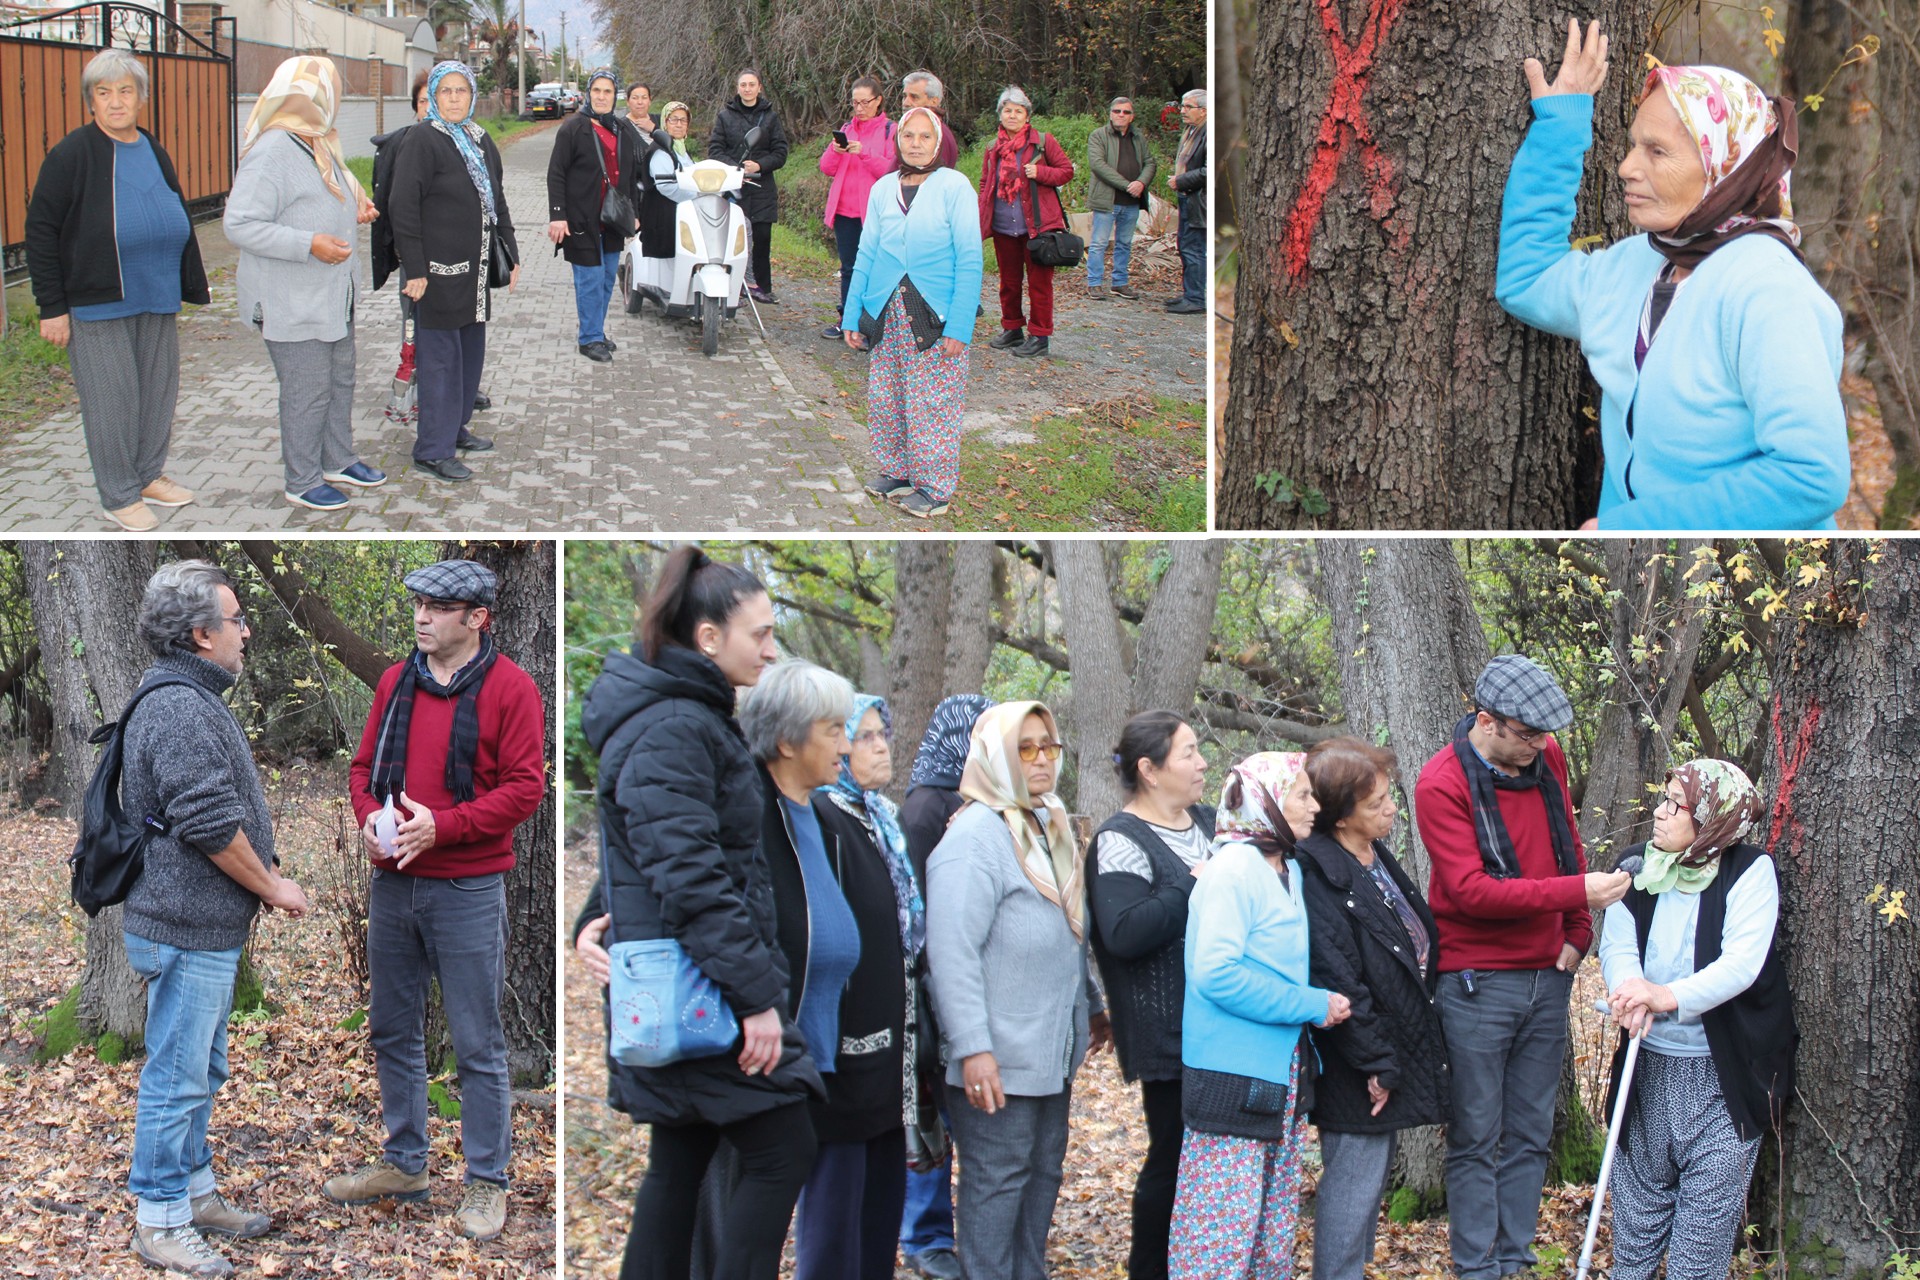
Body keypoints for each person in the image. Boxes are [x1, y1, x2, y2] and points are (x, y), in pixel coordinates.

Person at [1496, 20, 1848, 530]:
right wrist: (1561, 124)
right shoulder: (1638, 262)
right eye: (1634, 145)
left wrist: (1631, 529)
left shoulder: (1768, 292)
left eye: (1656, 152)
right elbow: (1528, 280)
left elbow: (1812, 475)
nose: (1625, 168)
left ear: (1724, 169)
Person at [575, 547, 816, 1280]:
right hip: (700, 992)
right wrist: (758, 1001)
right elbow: (692, 876)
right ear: (708, 638)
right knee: (784, 1146)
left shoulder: (685, 719)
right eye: (760, 634)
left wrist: (594, 916)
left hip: (684, 984)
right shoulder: (674, 726)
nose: (772, 650)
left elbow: (644, 847)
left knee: (679, 1161)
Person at [327, 559, 546, 1243]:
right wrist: (368, 816)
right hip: (393, 885)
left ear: (476, 618)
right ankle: (405, 1165)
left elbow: (525, 788)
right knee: (393, 1029)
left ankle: (487, 1183)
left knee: (477, 1043)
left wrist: (443, 826)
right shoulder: (397, 682)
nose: (421, 616)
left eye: (438, 606)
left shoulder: (512, 689)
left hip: (467, 889)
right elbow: (363, 769)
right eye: (419, 603)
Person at [1413, 654, 1632, 1280]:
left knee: (1533, 1134)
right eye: (1528, 734)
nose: (1541, 745)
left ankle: (1515, 1261)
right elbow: (1470, 892)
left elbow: (1567, 841)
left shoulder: (1545, 757)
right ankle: (1477, 1268)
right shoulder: (1441, 783)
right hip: (1476, 981)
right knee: (1478, 1135)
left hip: (1548, 974)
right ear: (1488, 721)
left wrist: (1578, 932)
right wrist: (1575, 897)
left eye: (1545, 734)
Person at [120, 560, 310, 1276]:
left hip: (199, 927)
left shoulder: (190, 695)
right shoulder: (177, 707)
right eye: (235, 620)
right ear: (201, 635)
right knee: (177, 1076)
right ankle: (161, 1221)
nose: (246, 631)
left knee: (201, 1068)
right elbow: (206, 822)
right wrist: (272, 887)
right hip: (182, 926)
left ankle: (196, 1194)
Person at [925, 701, 1109, 1280]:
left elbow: (1064, 930)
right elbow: (950, 954)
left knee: (1042, 1172)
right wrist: (973, 1048)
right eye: (1024, 749)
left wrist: (1093, 1004)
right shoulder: (974, 837)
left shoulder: (1046, 824)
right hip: (998, 1052)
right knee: (996, 1180)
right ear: (992, 756)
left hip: (1048, 1048)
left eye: (1048, 747)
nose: (1040, 761)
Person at [1598, 759, 1795, 1280]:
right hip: (1649, 1067)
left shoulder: (1750, 871)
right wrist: (1628, 990)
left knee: (1700, 1247)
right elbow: (1617, 945)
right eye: (1661, 801)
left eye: (1674, 805)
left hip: (1723, 1076)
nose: (1659, 815)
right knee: (1634, 1231)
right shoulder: (1637, 865)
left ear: (1711, 817)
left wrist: (1662, 995)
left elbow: (1741, 965)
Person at [1166, 752, 1348, 1280]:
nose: (1315, 807)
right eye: (1302, 795)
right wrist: (1312, 1004)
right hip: (1231, 1078)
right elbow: (1216, 975)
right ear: (1264, 802)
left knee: (1269, 1231)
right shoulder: (1233, 870)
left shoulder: (1286, 867)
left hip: (1281, 1076)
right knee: (1219, 1237)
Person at [23, 47, 209, 531]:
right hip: (98, 299)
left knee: (156, 393)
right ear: (91, 101)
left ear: (140, 98)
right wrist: (51, 307)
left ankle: (147, 475)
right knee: (112, 399)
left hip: (156, 292)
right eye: (103, 93)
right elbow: (41, 229)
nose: (115, 101)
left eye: (124, 90)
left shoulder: (151, 146)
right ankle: (118, 493)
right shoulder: (72, 154)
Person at [1296, 739, 1449, 1280]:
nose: (1392, 809)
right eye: (1377, 802)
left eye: (1389, 797)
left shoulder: (1372, 852)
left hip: (1388, 1045)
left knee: (1366, 1183)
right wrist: (1376, 1063)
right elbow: (1339, 977)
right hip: (1354, 1060)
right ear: (1340, 817)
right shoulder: (1319, 873)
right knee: (1352, 1183)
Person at [796, 694, 927, 1280]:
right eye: (864, 735)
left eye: (882, 734)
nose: (878, 746)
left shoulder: (882, 819)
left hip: (890, 1049)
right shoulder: (820, 818)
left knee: (880, 1210)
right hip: (841, 1049)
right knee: (834, 1213)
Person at [224, 55, 387, 513]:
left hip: (332, 295)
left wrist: (355, 206)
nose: (326, 101)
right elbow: (238, 224)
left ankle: (338, 458)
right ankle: (302, 477)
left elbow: (322, 196)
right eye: (321, 93)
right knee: (306, 387)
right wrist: (308, 243)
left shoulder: (317, 141)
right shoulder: (274, 149)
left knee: (340, 379)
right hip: (292, 297)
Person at [1086, 712, 1215, 1280]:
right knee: (1173, 1157)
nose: (1202, 762)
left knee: (1212, 1163)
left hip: (1224, 1024)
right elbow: (1124, 932)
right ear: (1150, 769)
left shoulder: (1213, 822)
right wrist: (1192, 880)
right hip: (1167, 1031)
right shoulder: (1120, 838)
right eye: (1188, 753)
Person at [842, 107, 982, 520]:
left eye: (924, 137)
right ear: (897, 141)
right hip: (887, 310)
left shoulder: (955, 187)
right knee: (887, 398)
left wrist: (960, 326)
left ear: (938, 143)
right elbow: (865, 254)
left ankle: (934, 487)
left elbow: (970, 260)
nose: (916, 144)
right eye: (908, 136)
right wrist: (852, 315)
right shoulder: (883, 188)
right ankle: (897, 471)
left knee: (932, 403)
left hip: (934, 313)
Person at [895, 693, 992, 1280]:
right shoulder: (928, 807)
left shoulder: (976, 801)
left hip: (964, 989)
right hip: (929, 994)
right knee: (928, 1117)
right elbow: (921, 912)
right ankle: (926, 1237)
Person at [387, 60, 518, 484]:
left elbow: (497, 202)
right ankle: (432, 449)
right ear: (435, 98)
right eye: (447, 91)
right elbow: (402, 207)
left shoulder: (480, 140)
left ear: (472, 95)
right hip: (437, 275)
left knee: (468, 356)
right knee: (441, 361)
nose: (456, 98)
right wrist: (415, 268)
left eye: (462, 90)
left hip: (475, 274)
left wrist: (512, 255)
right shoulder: (423, 140)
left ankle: (454, 429)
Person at [549, 67, 643, 363]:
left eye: (608, 91)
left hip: (613, 220)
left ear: (616, 96)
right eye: (597, 91)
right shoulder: (573, 128)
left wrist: (635, 214)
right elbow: (556, 174)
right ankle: (589, 338)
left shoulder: (622, 130)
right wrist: (558, 215)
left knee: (605, 278)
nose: (602, 97)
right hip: (581, 219)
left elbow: (631, 177)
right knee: (588, 279)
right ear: (589, 93)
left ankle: (596, 331)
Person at [977, 87, 1074, 358]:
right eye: (1007, 110)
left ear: (1027, 116)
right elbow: (986, 181)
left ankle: (1040, 336)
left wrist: (1040, 172)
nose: (1012, 115)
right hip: (1003, 226)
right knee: (1008, 281)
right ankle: (1012, 329)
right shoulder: (992, 147)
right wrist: (982, 208)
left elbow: (1066, 171)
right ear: (1000, 114)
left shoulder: (1043, 142)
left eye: (1018, 111)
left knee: (1039, 284)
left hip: (1038, 227)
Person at [371, 70, 434, 427]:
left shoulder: (463, 141)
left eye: (432, 98)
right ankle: (414, 383)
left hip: (454, 254)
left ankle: (452, 385)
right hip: (415, 253)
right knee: (413, 320)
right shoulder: (403, 144)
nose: (428, 106)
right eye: (422, 100)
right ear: (415, 107)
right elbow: (391, 202)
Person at [819, 76, 899, 338]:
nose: (860, 108)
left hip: (875, 213)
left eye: (865, 102)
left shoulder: (891, 130)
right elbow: (827, 168)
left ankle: (872, 324)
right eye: (855, 102)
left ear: (878, 101)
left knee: (875, 268)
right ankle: (847, 320)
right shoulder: (847, 128)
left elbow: (891, 170)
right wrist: (836, 151)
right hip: (845, 211)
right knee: (849, 268)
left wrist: (864, 152)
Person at [708, 69, 790, 304]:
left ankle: (761, 287)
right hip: (734, 188)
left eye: (751, 84)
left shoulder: (771, 118)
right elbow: (715, 150)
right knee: (734, 238)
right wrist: (735, 169)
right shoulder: (725, 117)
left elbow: (781, 152)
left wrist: (760, 165)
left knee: (762, 237)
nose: (747, 89)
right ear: (737, 88)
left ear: (759, 87)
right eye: (743, 84)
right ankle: (733, 286)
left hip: (763, 188)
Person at [1086, 97, 1157, 300]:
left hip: (1132, 202)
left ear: (1131, 116)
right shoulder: (1098, 136)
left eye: (1126, 112)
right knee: (1099, 243)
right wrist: (1127, 185)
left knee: (1124, 243)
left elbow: (1150, 162)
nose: (1121, 115)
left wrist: (1141, 183)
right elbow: (1098, 165)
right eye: (1117, 111)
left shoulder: (1138, 137)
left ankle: (1119, 283)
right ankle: (1094, 283)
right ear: (1110, 114)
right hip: (1107, 201)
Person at [630, 102, 698, 302]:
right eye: (673, 119)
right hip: (663, 213)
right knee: (673, 246)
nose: (678, 124)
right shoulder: (661, 149)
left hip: (683, 211)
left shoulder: (681, 149)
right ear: (664, 123)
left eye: (683, 120)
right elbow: (666, 186)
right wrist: (697, 197)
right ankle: (669, 291)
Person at [1166, 89, 1207, 314]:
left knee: (1194, 249)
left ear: (1203, 111)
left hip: (1198, 200)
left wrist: (1181, 181)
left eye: (1188, 107)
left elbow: (1208, 171)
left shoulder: (1208, 132)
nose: (1182, 111)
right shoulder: (1191, 130)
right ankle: (1189, 293)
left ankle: (1196, 299)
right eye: (1182, 106)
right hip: (1187, 198)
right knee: (1185, 246)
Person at [900, 71, 959, 168]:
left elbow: (935, 178)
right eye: (904, 96)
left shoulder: (938, 133)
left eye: (914, 97)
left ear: (934, 101)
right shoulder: (912, 130)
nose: (906, 103)